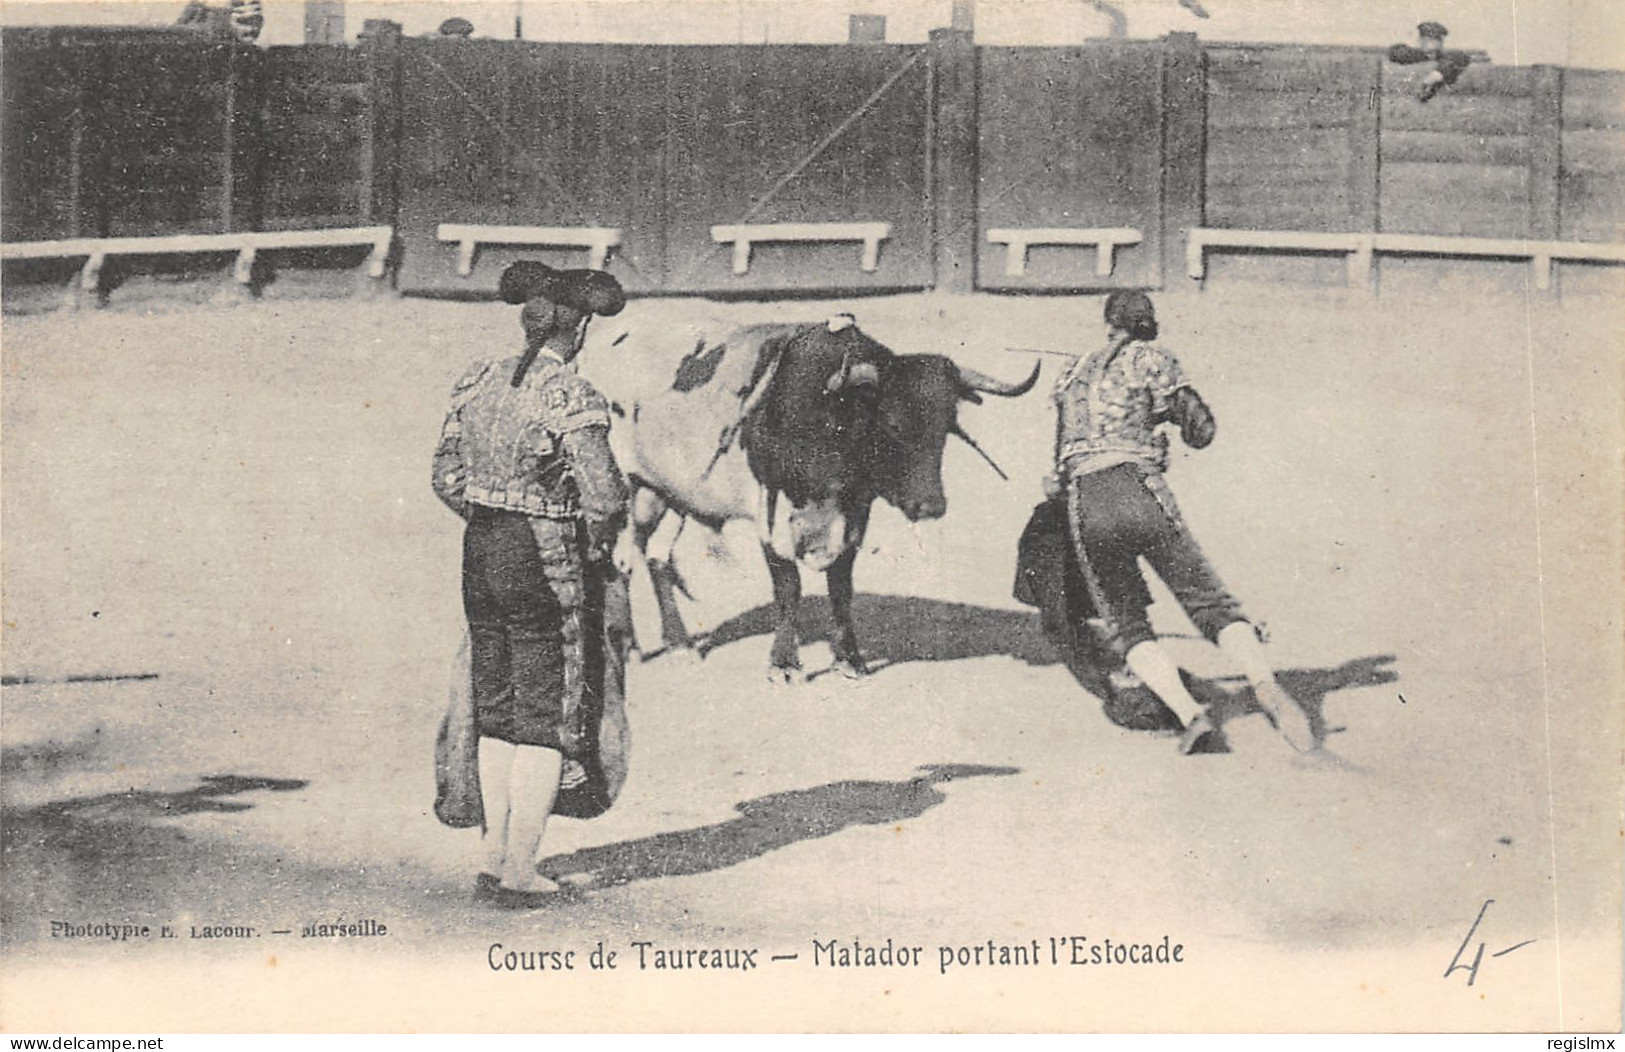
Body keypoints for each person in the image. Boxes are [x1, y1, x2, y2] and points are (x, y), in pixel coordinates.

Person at [432, 260, 630, 906]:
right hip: (543, 556)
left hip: (480, 548)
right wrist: (585, 539)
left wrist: (492, 511)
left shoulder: (478, 379)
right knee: (548, 709)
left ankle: (492, 856)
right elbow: (602, 496)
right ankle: (520, 867)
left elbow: (444, 477)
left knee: (496, 701)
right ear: (579, 333)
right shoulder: (570, 394)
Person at [1044, 291, 1315, 755]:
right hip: (1142, 492)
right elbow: (1201, 431)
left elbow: (1058, 468)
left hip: (1086, 504)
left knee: (1126, 623)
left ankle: (1190, 715)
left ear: (1108, 323)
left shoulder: (1070, 372)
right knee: (1209, 602)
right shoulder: (1153, 360)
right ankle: (1266, 687)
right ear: (1148, 323)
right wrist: (1163, 418)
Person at [1388, 21, 1473, 102]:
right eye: (1427, 39)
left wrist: (1435, 76)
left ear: (1441, 42)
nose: (1430, 43)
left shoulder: (1449, 56)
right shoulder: (1414, 54)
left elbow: (1461, 57)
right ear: (1421, 40)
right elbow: (1394, 53)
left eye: (1435, 39)